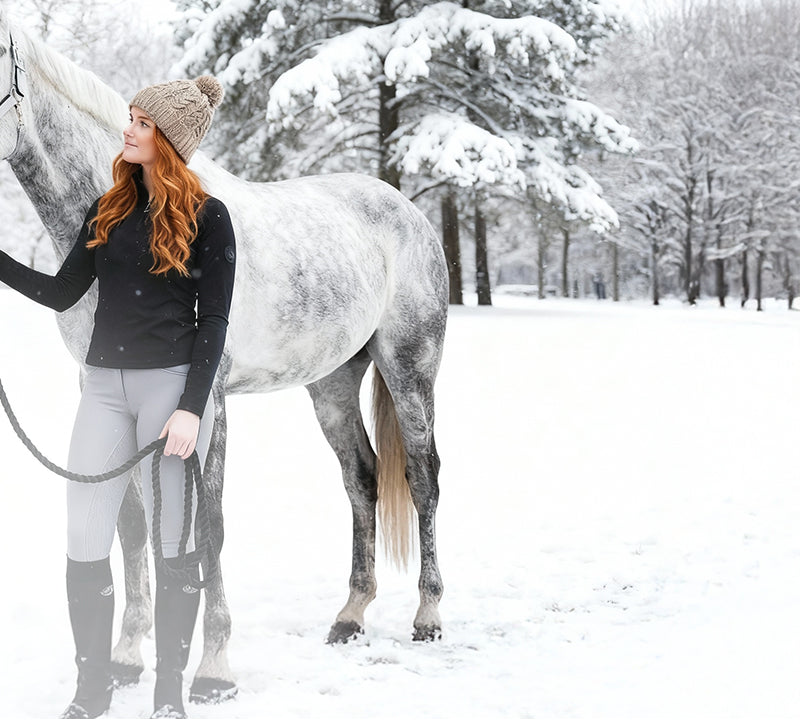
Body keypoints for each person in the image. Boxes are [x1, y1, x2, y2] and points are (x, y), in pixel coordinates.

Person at [0, 75, 236, 719]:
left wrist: (191, 408)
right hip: (103, 389)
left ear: (170, 139)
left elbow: (215, 321)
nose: (128, 129)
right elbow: (61, 293)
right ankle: (92, 688)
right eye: (130, 117)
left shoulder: (209, 216)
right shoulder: (106, 210)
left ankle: (168, 693)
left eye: (142, 122)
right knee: (83, 537)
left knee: (173, 545)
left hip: (171, 392)